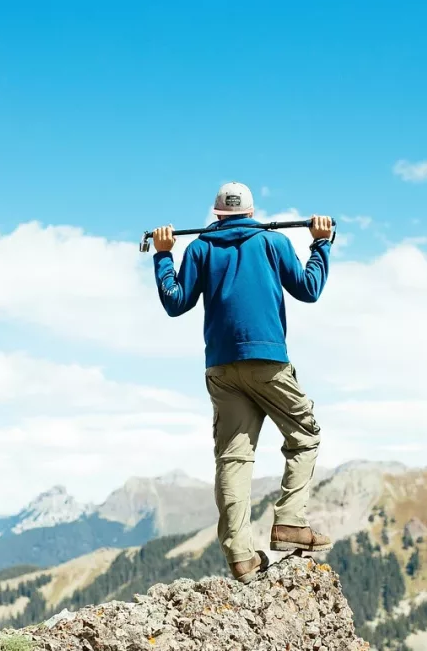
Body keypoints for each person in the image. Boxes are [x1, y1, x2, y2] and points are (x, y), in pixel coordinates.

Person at [150, 181, 335, 584]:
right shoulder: (273, 243)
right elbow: (309, 289)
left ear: (216, 215)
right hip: (268, 359)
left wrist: (164, 256)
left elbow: (174, 301)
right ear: (252, 212)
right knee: (305, 436)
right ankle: (289, 521)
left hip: (221, 366)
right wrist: (320, 244)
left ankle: (241, 556)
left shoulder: (199, 248)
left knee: (234, 458)